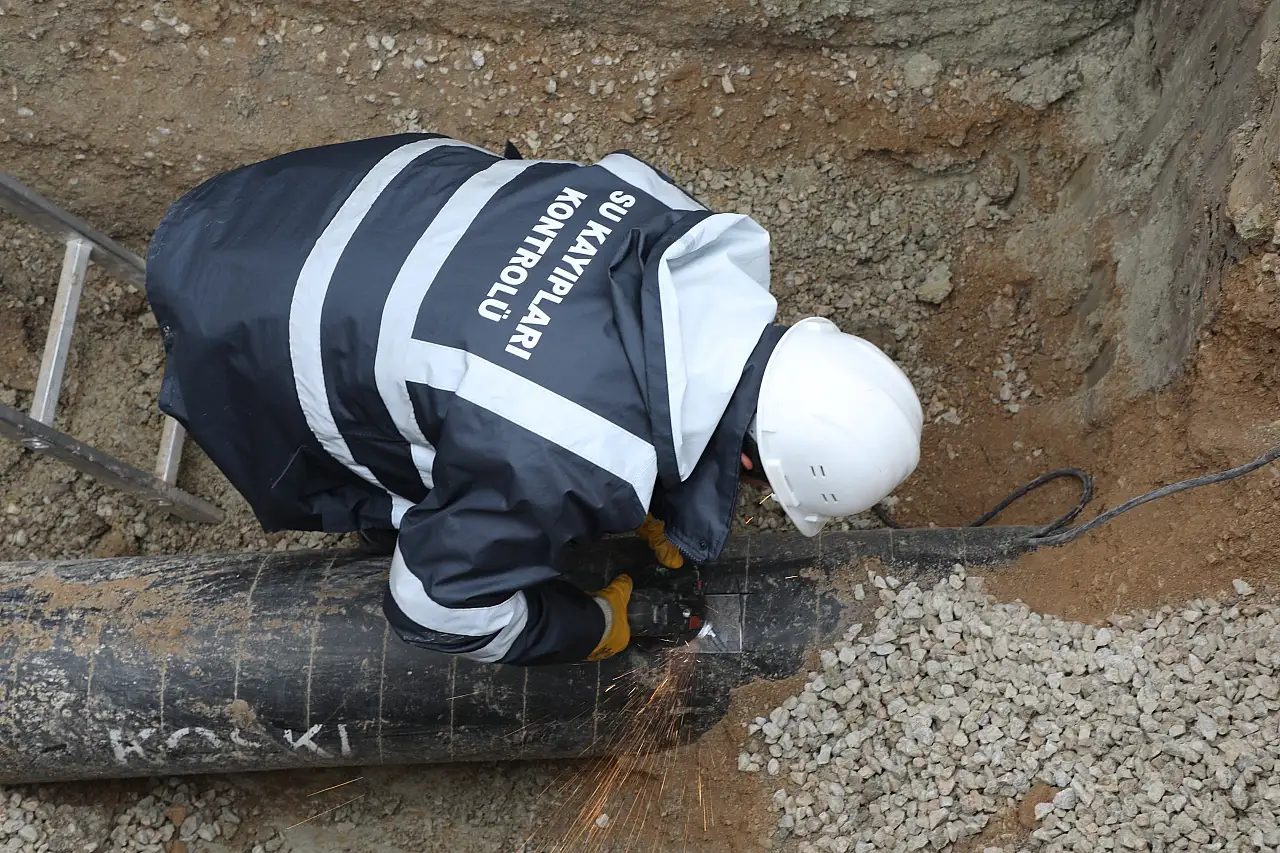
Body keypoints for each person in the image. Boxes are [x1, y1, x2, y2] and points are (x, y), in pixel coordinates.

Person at [145, 133, 923, 666]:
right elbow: (433, 611)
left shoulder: (687, 229)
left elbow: (611, 340)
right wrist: (594, 625)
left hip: (301, 197)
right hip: (240, 313)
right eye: (751, 480)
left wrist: (659, 486)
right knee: (416, 498)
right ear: (750, 458)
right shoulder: (565, 455)